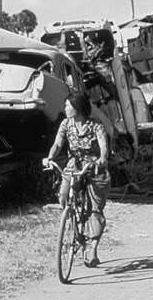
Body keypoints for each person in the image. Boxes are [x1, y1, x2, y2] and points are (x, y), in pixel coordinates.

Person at [43, 91, 111, 267]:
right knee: (63, 196)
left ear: (78, 108)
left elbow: (104, 146)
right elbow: (58, 144)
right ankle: (72, 221)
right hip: (74, 165)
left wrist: (102, 158)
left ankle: (92, 248)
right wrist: (50, 157)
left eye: (68, 106)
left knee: (95, 209)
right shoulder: (66, 124)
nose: (65, 109)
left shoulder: (96, 125)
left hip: (94, 167)